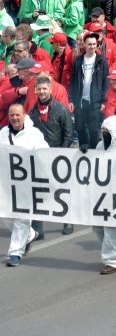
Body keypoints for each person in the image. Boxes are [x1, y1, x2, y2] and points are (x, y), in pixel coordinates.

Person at [3, 104, 49, 266]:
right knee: (5, 214)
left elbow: (45, 153)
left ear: (24, 115)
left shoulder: (33, 134)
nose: (15, 118)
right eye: (12, 115)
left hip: (26, 183)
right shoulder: (3, 133)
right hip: (7, 183)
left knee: (22, 217)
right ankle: (30, 235)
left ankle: (16, 253)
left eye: (17, 115)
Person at [92, 116, 116, 274]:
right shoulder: (100, 145)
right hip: (102, 193)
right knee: (97, 226)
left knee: (112, 228)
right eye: (102, 130)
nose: (104, 133)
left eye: (107, 131)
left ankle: (113, 261)